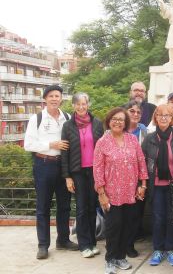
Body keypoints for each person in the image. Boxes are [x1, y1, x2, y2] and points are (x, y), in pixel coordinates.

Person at [24, 85, 78, 259]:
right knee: (43, 207)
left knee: (64, 205)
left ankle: (63, 240)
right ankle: (43, 245)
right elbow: (28, 145)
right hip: (43, 164)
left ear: (61, 99)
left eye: (58, 96)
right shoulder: (37, 118)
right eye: (51, 96)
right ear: (45, 99)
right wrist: (51, 145)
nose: (55, 99)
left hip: (63, 166)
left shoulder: (68, 117)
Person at [93, 107, 148, 274]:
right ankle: (110, 259)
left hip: (131, 192)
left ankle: (120, 257)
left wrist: (143, 185)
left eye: (121, 120)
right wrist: (101, 194)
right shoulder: (102, 142)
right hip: (111, 194)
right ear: (109, 121)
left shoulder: (132, 140)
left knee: (128, 226)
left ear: (125, 123)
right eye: (114, 119)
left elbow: (141, 162)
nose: (117, 122)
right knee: (113, 227)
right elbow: (97, 169)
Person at [141, 104, 173, 267]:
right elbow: (142, 162)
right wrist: (142, 183)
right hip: (155, 185)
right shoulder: (149, 139)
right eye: (160, 115)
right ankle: (158, 249)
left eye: (167, 115)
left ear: (172, 118)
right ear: (155, 118)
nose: (163, 118)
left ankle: (170, 249)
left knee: (172, 218)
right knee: (157, 218)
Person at [61, 92, 104, 258]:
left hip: (94, 171)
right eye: (77, 104)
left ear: (88, 105)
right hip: (77, 172)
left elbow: (102, 149)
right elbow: (64, 153)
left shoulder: (97, 123)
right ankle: (83, 244)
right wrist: (67, 177)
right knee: (81, 208)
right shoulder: (67, 126)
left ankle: (93, 243)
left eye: (84, 104)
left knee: (93, 207)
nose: (81, 107)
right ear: (73, 106)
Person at [123, 100, 148, 257]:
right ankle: (118, 243)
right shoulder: (118, 129)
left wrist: (143, 182)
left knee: (135, 214)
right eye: (132, 111)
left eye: (138, 112)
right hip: (119, 178)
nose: (135, 114)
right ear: (125, 112)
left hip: (139, 178)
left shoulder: (144, 130)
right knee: (120, 214)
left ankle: (129, 244)